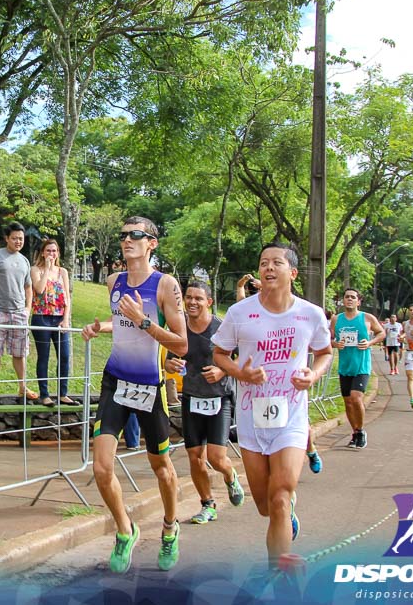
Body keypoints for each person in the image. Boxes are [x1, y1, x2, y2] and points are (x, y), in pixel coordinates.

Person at [212, 243, 332, 567]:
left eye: (276, 263)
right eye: (263, 262)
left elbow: (325, 352)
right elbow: (219, 354)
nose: (268, 268)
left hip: (291, 416)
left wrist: (314, 374)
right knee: (265, 505)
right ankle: (285, 511)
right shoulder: (240, 313)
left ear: (292, 272)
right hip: (252, 418)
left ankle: (279, 577)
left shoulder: (310, 314)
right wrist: (241, 373)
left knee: (279, 498)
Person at [81, 216, 188, 573]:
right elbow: (123, 320)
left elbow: (182, 343)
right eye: (124, 235)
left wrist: (145, 321)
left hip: (149, 386)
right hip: (115, 381)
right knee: (101, 466)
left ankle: (170, 528)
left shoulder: (165, 285)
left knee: (161, 468)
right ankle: (125, 530)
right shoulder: (114, 280)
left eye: (136, 235)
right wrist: (102, 326)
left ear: (151, 243)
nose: (127, 240)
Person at [165, 280, 245, 525]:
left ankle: (230, 476)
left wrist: (223, 371)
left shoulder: (222, 328)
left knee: (216, 457)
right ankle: (207, 504)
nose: (192, 302)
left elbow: (243, 359)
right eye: (188, 297)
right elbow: (168, 360)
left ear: (209, 302)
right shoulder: (179, 329)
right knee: (195, 456)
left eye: (198, 298)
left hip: (219, 398)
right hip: (192, 399)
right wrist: (170, 365)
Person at [237, 273, 321, 473]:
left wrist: (312, 374)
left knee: (300, 429)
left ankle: (310, 450)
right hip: (259, 396)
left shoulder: (297, 312)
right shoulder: (247, 312)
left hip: (287, 391)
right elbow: (240, 303)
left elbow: (322, 350)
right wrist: (241, 285)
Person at [0, 222, 34, 399]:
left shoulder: (25, 260)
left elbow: (28, 287)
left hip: (19, 313)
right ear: (7, 239)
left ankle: (22, 386)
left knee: (20, 352)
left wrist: (27, 308)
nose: (18, 241)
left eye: (21, 238)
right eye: (15, 238)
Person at [330, 289, 385, 450]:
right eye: (347, 297)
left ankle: (360, 431)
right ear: (343, 301)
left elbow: (381, 333)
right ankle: (354, 432)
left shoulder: (366, 318)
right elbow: (329, 336)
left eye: (353, 297)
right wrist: (335, 344)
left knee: (356, 398)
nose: (349, 300)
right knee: (348, 402)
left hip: (362, 365)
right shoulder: (336, 319)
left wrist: (369, 342)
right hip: (345, 366)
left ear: (358, 301)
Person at [30, 238, 75, 406]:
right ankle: (44, 394)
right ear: (43, 252)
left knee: (64, 355)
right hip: (41, 317)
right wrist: (47, 269)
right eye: (48, 251)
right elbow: (40, 290)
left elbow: (67, 299)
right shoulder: (36, 270)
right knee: (44, 356)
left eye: (54, 251)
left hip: (59, 317)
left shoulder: (63, 271)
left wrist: (65, 319)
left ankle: (63, 393)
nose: (51, 254)